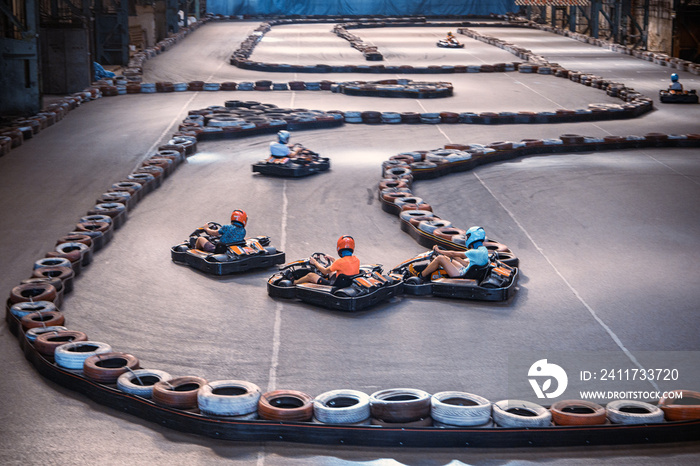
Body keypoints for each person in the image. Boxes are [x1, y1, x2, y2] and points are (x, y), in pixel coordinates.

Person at [419, 226, 490, 281]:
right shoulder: (484, 250)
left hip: (461, 274)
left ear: (472, 237)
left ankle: (421, 276)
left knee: (440, 258)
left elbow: (453, 253)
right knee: (447, 258)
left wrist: (439, 251)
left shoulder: (474, 252)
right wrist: (449, 255)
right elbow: (467, 264)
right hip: (468, 271)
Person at [294, 236, 360, 285]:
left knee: (310, 275)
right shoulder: (356, 260)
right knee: (331, 271)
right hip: (346, 282)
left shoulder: (339, 262)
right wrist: (333, 259)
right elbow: (344, 266)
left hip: (336, 285)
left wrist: (315, 262)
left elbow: (324, 271)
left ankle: (294, 282)